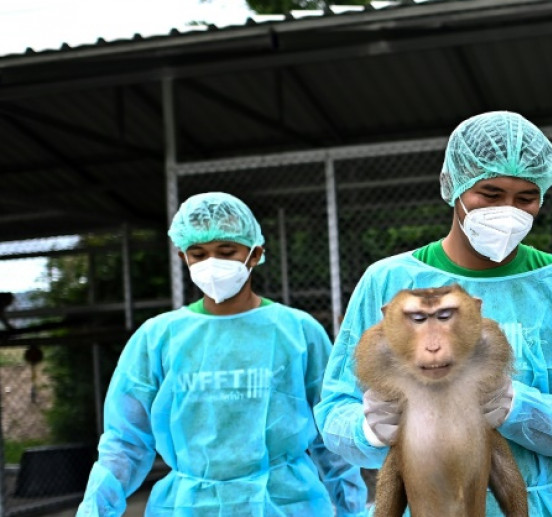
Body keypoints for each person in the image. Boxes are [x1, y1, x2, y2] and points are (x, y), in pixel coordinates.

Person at [314, 111, 552, 516]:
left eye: (526, 198)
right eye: (491, 194)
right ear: (454, 187)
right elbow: (335, 407)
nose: (508, 211)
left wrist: (519, 407)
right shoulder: (388, 280)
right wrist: (368, 428)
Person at [77, 192, 368, 517]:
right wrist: (94, 511)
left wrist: (351, 508)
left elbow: (332, 431)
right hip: (188, 507)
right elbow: (125, 443)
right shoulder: (157, 338)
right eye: (197, 253)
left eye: (226, 251)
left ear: (254, 254)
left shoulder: (298, 331)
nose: (211, 264)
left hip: (287, 504)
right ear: (182, 256)